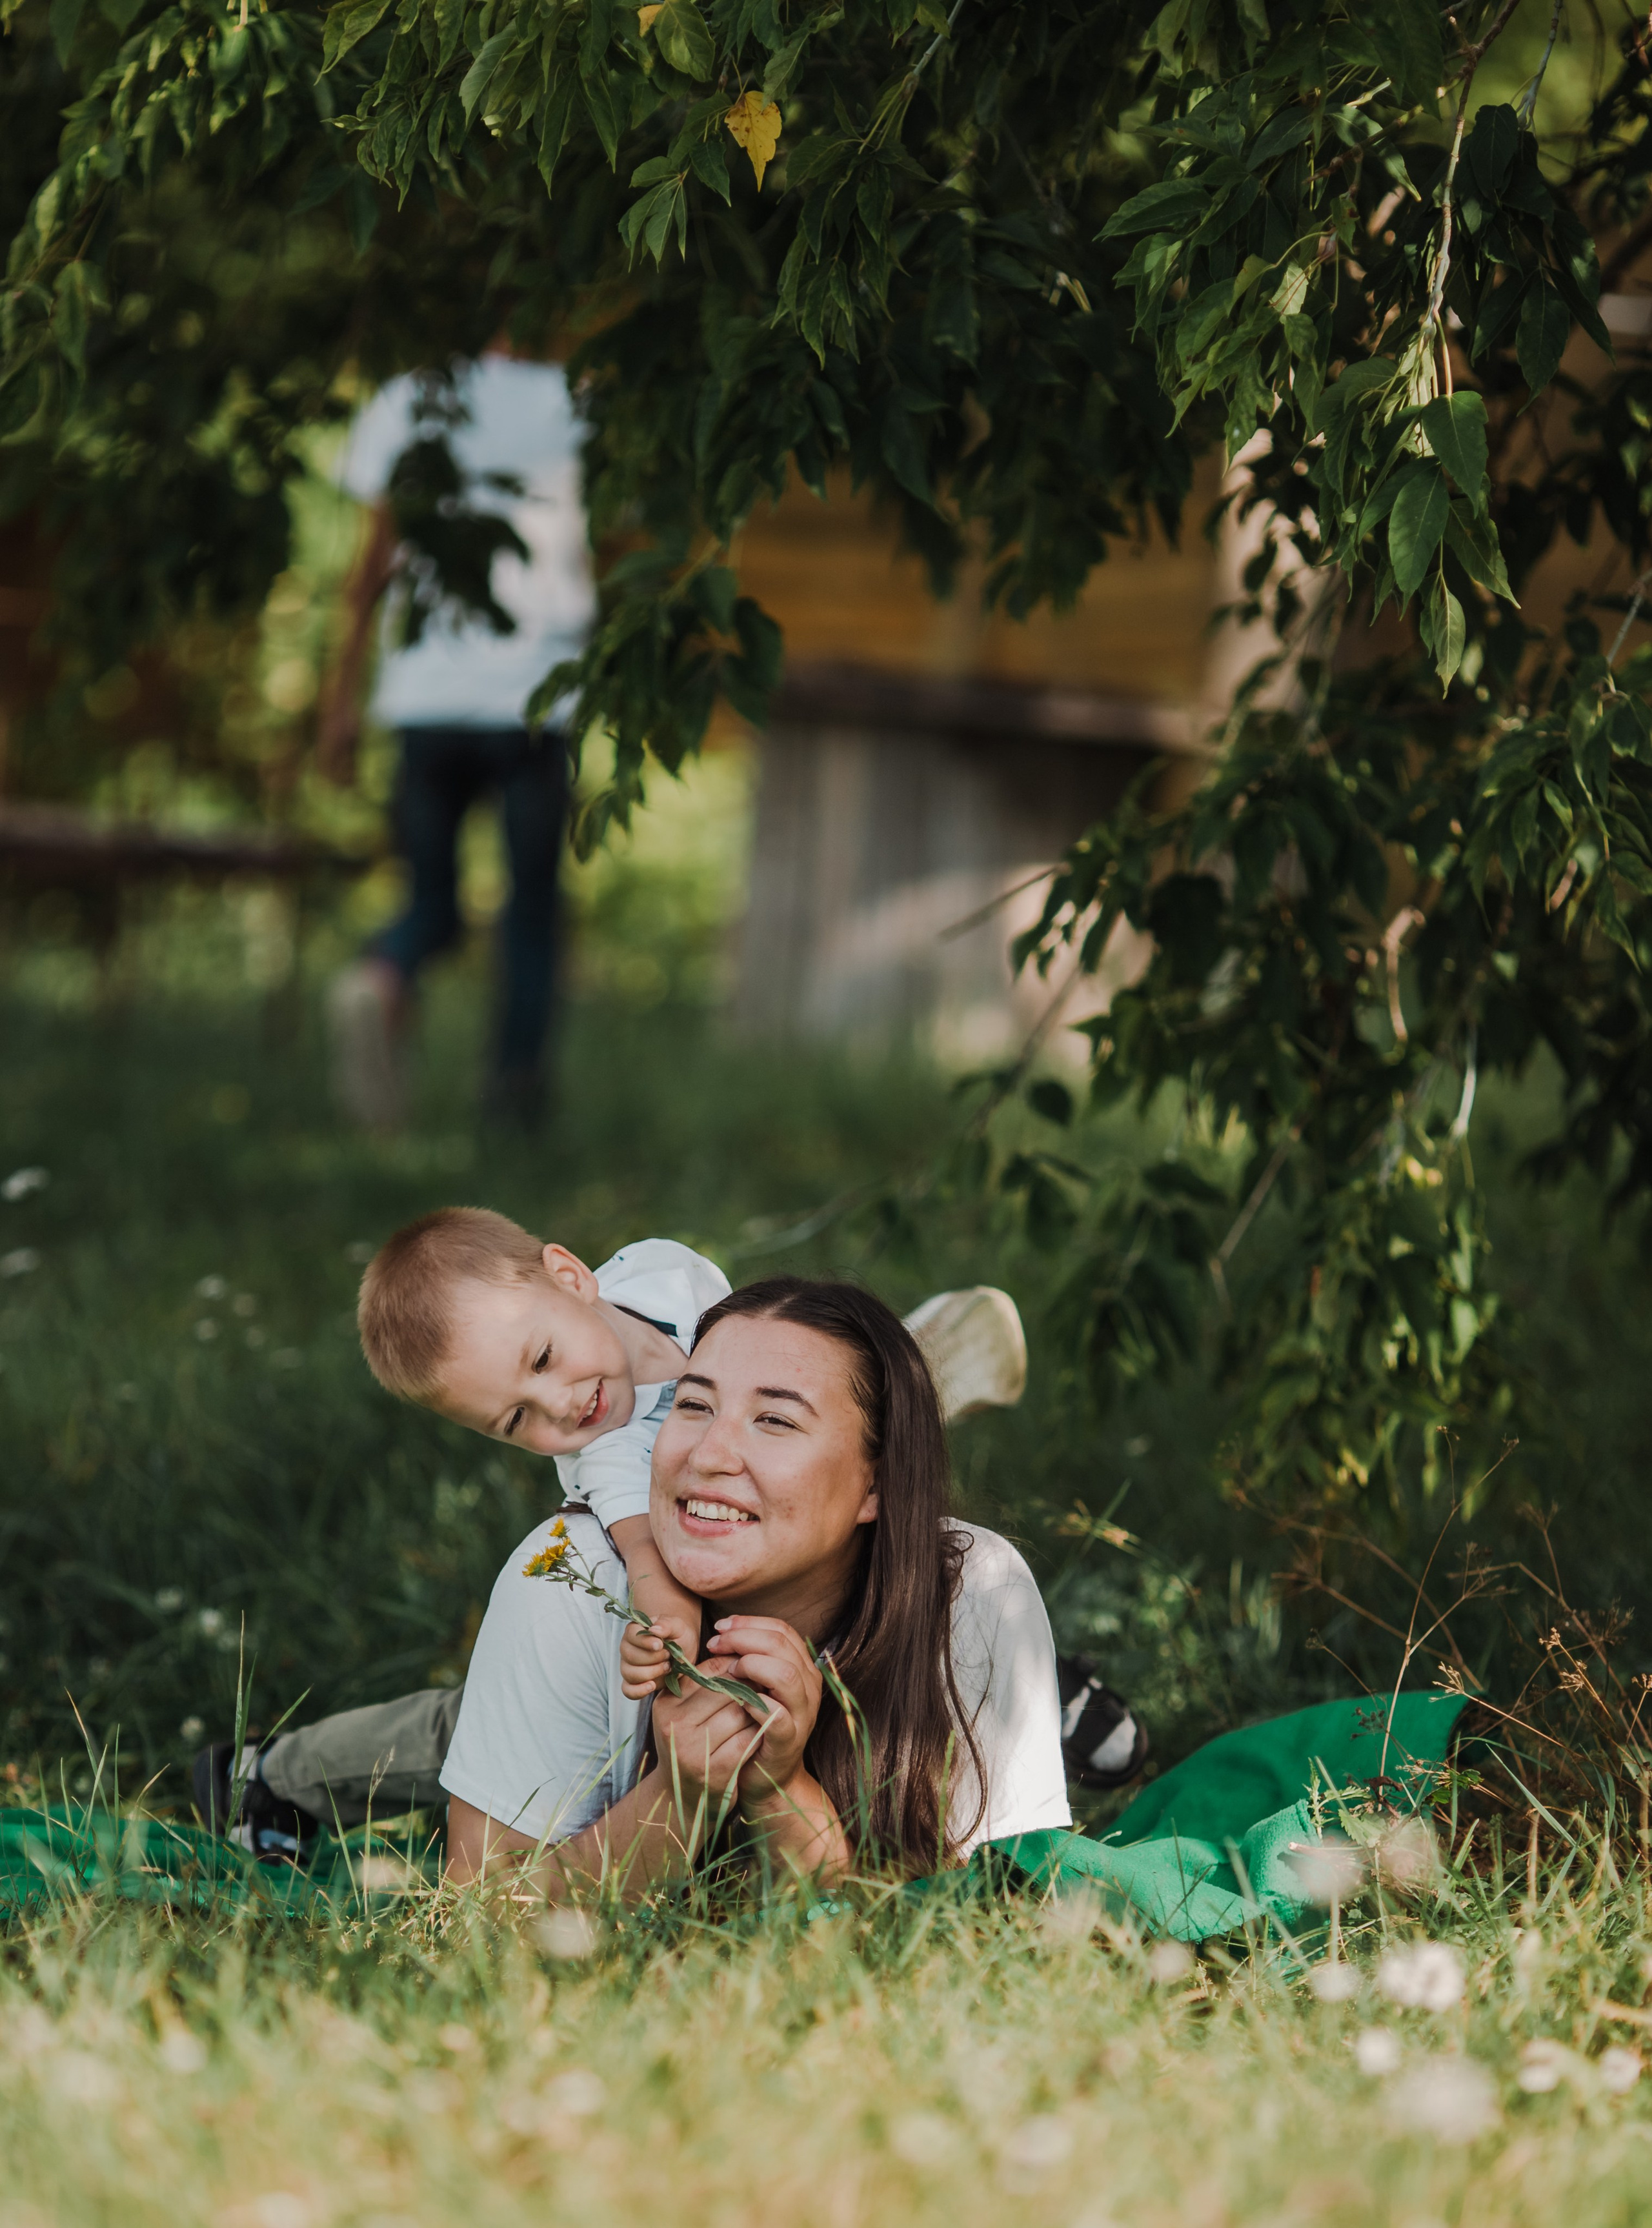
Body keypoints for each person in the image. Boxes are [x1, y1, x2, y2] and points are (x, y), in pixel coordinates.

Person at [193, 1214, 1139, 1857]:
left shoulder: (662, 1274)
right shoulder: (605, 1457)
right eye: (516, 1421)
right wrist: (664, 1638)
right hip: (634, 1632)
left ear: (573, 1277)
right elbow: (652, 1563)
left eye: (544, 1359)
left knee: (881, 1565)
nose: (560, 1407)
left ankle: (1014, 1670)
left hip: (789, 1566)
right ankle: (263, 1777)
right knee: (469, 1736)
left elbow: (793, 1365)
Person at [445, 1277, 1073, 1893]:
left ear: (876, 1485)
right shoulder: (571, 1577)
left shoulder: (972, 1587)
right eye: (693, 1405)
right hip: (516, 1707)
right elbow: (480, 1911)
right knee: (400, 1750)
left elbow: (980, 1913)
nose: (707, 1455)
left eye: (775, 1419)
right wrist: (678, 1795)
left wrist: (781, 1789)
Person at [317, 354, 595, 1130]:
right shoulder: (575, 402)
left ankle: (383, 974)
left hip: (424, 696)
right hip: (535, 699)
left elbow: (371, 566)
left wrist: (338, 701)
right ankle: (514, 1100)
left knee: (431, 904)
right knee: (531, 913)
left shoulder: (407, 399)